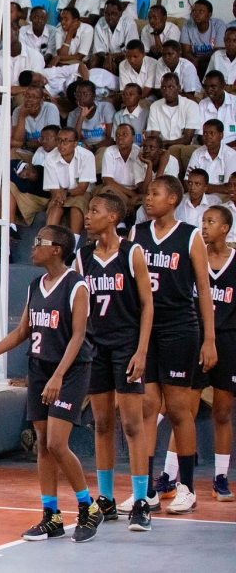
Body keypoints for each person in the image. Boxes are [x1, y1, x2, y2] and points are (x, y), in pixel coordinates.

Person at [0, 225, 102, 542]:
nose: (33, 246)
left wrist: (58, 376)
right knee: (42, 443)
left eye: (39, 242)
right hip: (39, 367)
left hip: (69, 370)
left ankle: (88, 507)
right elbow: (22, 332)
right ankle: (51, 515)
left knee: (56, 442)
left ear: (57, 249)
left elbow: (79, 336)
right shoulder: (35, 285)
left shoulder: (76, 286)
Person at [132, 175, 216, 515]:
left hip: (180, 327)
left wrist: (209, 338)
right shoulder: (136, 234)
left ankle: (188, 488)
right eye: (147, 193)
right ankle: (148, 489)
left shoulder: (190, 235)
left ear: (174, 200)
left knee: (180, 409)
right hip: (145, 329)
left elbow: (205, 291)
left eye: (156, 193)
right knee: (148, 407)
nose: (148, 198)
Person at [75, 194, 155, 529]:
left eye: (95, 211)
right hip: (96, 348)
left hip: (126, 346)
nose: (88, 217)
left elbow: (148, 305)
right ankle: (105, 499)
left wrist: (141, 351)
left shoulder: (132, 252)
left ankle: (140, 502)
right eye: (88, 211)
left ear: (113, 217)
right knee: (103, 423)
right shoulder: (83, 257)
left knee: (133, 425)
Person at [198, 206, 236, 502]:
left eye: (211, 221)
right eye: (203, 221)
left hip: (227, 342)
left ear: (225, 228)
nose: (205, 226)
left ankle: (221, 477)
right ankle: (170, 476)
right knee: (179, 411)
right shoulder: (194, 259)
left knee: (221, 411)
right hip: (195, 339)